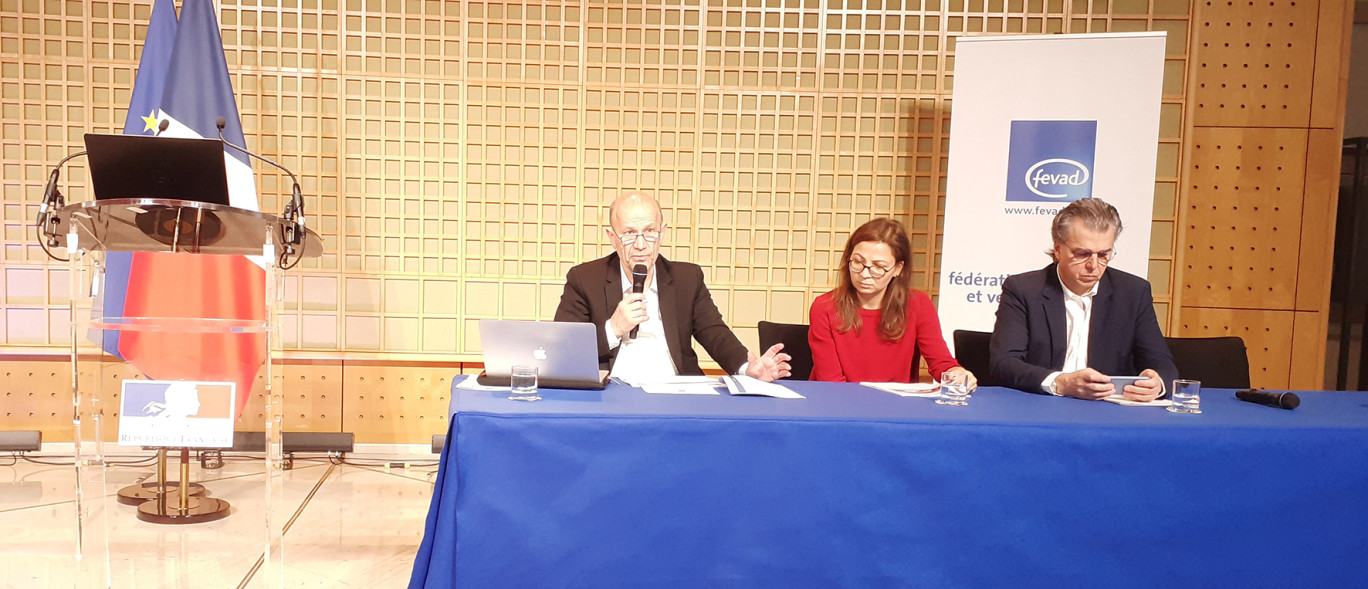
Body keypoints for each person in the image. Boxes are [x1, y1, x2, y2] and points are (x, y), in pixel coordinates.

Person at [553, 191, 791, 382]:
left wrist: (747, 368)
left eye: (649, 232)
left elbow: (715, 333)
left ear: (662, 233)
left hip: (674, 390)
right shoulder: (584, 278)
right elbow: (563, 350)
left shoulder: (686, 278)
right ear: (612, 236)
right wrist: (612, 329)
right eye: (628, 233)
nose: (640, 245)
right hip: (612, 389)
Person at [989, 198, 1178, 401]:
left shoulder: (1133, 292)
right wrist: (1060, 382)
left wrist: (1156, 384)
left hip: (1107, 411)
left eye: (1104, 254)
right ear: (1058, 249)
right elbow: (1004, 364)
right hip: (1041, 406)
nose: (1094, 265)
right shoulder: (1023, 289)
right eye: (1082, 254)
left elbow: (1164, 365)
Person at [808, 218, 976, 387]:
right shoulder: (825, 307)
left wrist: (956, 373)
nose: (865, 274)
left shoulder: (918, 305)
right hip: (838, 403)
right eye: (858, 262)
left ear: (898, 269)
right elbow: (831, 382)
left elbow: (940, 362)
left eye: (878, 266)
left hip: (895, 405)